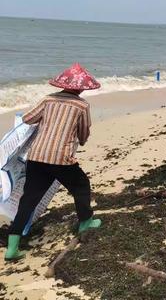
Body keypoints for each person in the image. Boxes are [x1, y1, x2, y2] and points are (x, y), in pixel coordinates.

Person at [5, 64, 102, 262]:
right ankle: (85, 222)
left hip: (37, 156)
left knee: (29, 199)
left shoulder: (48, 99)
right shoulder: (81, 105)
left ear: (62, 84)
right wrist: (81, 140)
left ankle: (12, 247)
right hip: (61, 158)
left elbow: (28, 118)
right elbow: (83, 131)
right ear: (81, 88)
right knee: (81, 186)